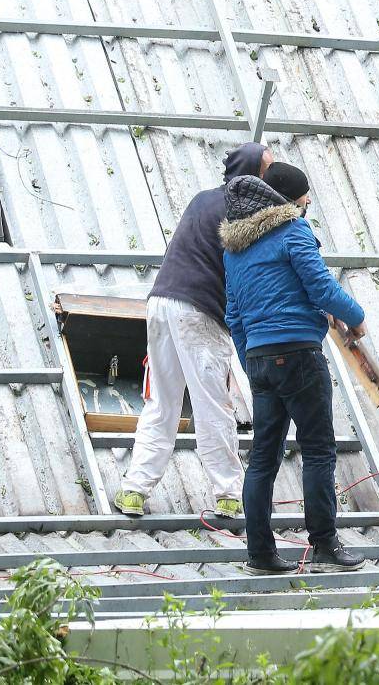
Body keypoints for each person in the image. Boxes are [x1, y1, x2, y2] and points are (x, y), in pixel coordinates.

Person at [221, 162, 368, 573]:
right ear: (291, 200)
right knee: (319, 449)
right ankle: (323, 544)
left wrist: (253, 363)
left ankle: (260, 554)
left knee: (263, 458)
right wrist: (355, 316)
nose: (307, 204)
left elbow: (234, 315)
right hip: (300, 355)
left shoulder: (235, 249)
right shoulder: (294, 231)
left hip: (261, 359)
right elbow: (320, 287)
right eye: (305, 197)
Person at [113, 142, 271, 520]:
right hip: (198, 312)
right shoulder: (244, 210)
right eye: (269, 170)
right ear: (255, 175)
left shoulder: (204, 199)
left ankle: (134, 489)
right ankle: (230, 494)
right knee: (212, 403)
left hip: (161, 303)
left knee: (162, 402)